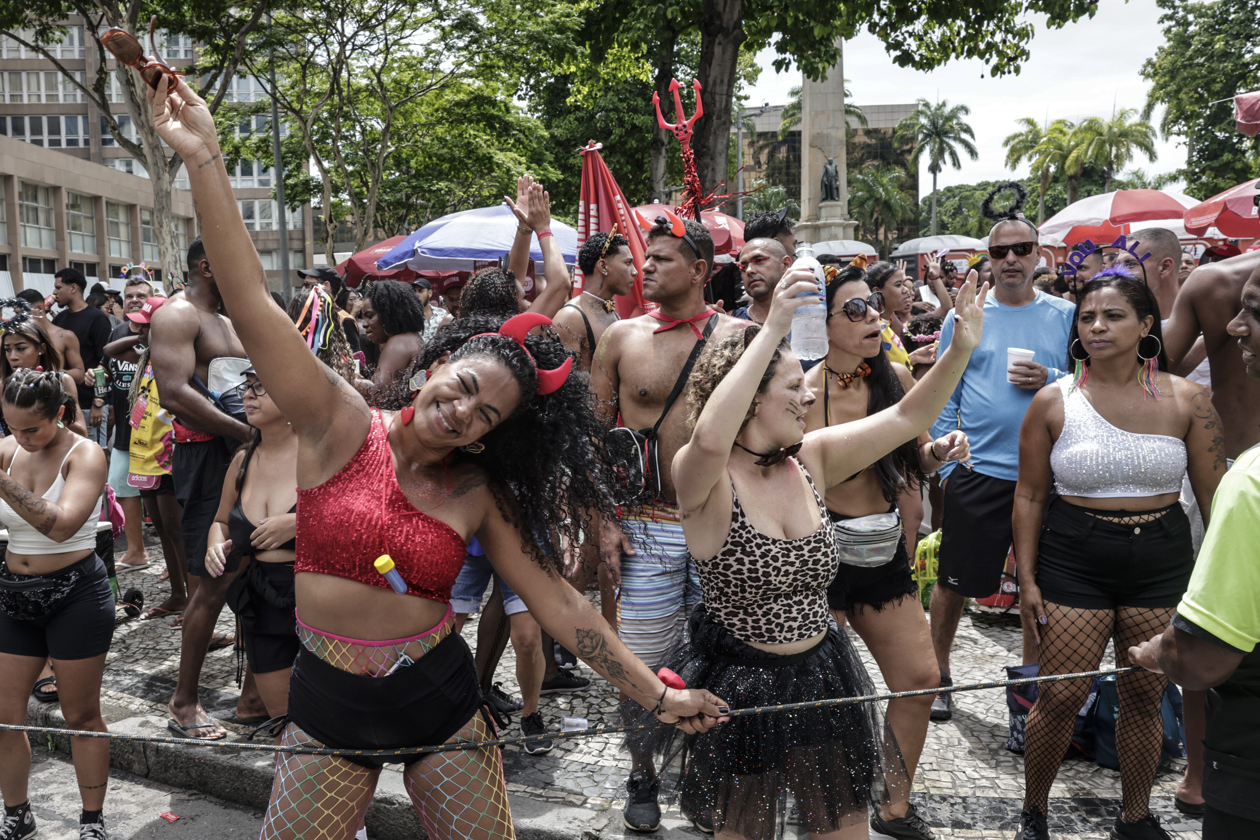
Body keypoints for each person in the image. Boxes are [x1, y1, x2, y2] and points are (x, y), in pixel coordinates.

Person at [148, 72, 727, 840]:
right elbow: (252, 299)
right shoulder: (339, 423)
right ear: (435, 370)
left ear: (490, 435)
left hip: (439, 702)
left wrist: (657, 697)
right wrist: (204, 160)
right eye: (460, 388)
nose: (460, 412)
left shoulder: (475, 490)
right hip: (327, 703)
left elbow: (562, 605)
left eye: (484, 414)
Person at [653, 265, 987, 839]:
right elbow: (709, 435)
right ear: (748, 400)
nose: (809, 394)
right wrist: (775, 326)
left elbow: (909, 417)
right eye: (791, 388)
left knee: (842, 831)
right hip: (740, 689)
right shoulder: (703, 477)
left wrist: (960, 348)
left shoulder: (810, 457)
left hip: (822, 674)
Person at [1012, 271, 1225, 840]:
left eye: (1113, 316)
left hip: (1160, 559)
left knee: (1143, 692)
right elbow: (1030, 495)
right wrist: (1027, 579)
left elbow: (1215, 501)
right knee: (1060, 695)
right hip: (1074, 557)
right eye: (1087, 317)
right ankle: (1034, 812)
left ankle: (1135, 815)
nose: (1098, 326)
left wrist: (1216, 579)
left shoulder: (1189, 399)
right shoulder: (1052, 400)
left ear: (1147, 324)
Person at [802, 265, 971, 840]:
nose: (872, 314)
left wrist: (940, 451)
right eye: (853, 308)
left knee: (920, 677)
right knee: (821, 691)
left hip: (879, 552)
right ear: (819, 323)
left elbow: (914, 456)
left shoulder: (893, 377)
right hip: (813, 559)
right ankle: (823, 810)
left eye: (872, 303)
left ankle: (893, 805)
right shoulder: (795, 386)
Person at [590, 212, 743, 831]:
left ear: (701, 271)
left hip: (720, 523)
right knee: (642, 660)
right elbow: (594, 441)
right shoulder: (620, 339)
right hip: (644, 524)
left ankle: (707, 776)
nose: (646, 266)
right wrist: (603, 521)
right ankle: (643, 771)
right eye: (644, 258)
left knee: (722, 655)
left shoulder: (741, 337)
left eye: (662, 259)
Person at [926, 182, 1076, 722]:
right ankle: (937, 675)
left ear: (1039, 256)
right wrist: (944, 463)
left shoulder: (1065, 315)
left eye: (1020, 250)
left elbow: (1094, 380)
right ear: (987, 260)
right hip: (980, 471)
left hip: (1051, 477)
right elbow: (945, 388)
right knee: (954, 582)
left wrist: (1052, 376)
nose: (1010, 259)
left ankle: (1030, 688)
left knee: (1043, 586)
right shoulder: (965, 315)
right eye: (998, 251)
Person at [1128, 270, 1260, 839]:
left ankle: (1199, 775)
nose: (1234, 328)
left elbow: (1205, 658)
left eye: (1252, 312)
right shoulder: (1213, 281)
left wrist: (1166, 648)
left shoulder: (1250, 484)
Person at [150, 236, 257, 740]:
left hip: (249, 451)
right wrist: (243, 436)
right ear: (208, 266)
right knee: (214, 578)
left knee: (264, 575)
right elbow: (173, 392)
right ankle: (183, 703)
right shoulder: (177, 315)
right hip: (210, 457)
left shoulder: (234, 319)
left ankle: (255, 698)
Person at [0, 368, 110, 840]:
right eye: (10, 427)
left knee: (80, 715)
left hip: (76, 595)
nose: (20, 438)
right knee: (5, 717)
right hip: (12, 594)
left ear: (60, 414)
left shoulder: (85, 453)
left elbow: (62, 525)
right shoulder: (5, 451)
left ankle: (91, 821)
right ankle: (17, 813)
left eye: (32, 429)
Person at [205, 367, 298, 721]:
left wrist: (297, 522)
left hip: (318, 598)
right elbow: (221, 522)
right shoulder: (243, 459)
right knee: (282, 720)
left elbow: (360, 520)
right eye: (246, 387)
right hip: (261, 603)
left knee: (326, 718)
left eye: (261, 387)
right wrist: (215, 545)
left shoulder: (318, 454)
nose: (248, 395)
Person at [555, 229, 636, 630]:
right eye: (628, 262)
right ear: (603, 266)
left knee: (608, 557)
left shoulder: (611, 312)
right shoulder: (573, 317)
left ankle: (615, 645)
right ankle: (553, 646)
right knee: (585, 559)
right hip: (583, 456)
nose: (636, 271)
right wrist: (586, 457)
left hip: (611, 455)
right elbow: (564, 399)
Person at [109, 298, 190, 624]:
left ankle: (192, 599)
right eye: (138, 324)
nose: (139, 329)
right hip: (143, 455)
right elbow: (111, 349)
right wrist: (143, 336)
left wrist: (157, 333)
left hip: (169, 456)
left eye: (146, 323)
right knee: (160, 526)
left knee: (176, 528)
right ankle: (178, 593)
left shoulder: (176, 356)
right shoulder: (145, 356)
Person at [104, 276, 153, 572]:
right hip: (125, 428)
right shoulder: (118, 332)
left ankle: (179, 561)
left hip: (155, 429)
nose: (134, 299)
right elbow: (107, 365)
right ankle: (136, 552)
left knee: (162, 495)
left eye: (141, 295)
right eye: (130, 295)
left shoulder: (162, 331)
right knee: (121, 488)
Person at [51, 268, 113, 449]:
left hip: (88, 404)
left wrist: (98, 402)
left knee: (95, 453)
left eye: (58, 287)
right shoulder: (59, 319)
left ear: (73, 288)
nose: (54, 293)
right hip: (63, 404)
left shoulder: (97, 318)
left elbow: (106, 363)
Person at [359, 279, 426, 399]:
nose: (364, 324)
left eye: (370, 316)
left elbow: (378, 394)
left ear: (388, 315)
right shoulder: (412, 338)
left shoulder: (398, 342)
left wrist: (346, 381)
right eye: (363, 317)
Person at [15, 290, 85, 389]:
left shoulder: (64, 336)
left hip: (53, 396)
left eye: (23, 313)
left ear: (39, 308)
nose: (19, 318)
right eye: (17, 314)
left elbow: (79, 375)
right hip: (20, 395)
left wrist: (51, 373)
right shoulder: (14, 337)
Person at [298, 267, 360, 354]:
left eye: (308, 285)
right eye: (303, 286)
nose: (303, 290)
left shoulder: (345, 321)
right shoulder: (306, 317)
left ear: (326, 286)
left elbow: (355, 360)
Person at [731, 238, 792, 326]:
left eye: (758, 261)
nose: (749, 270)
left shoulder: (812, 313)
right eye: (743, 267)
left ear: (785, 264)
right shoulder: (731, 323)